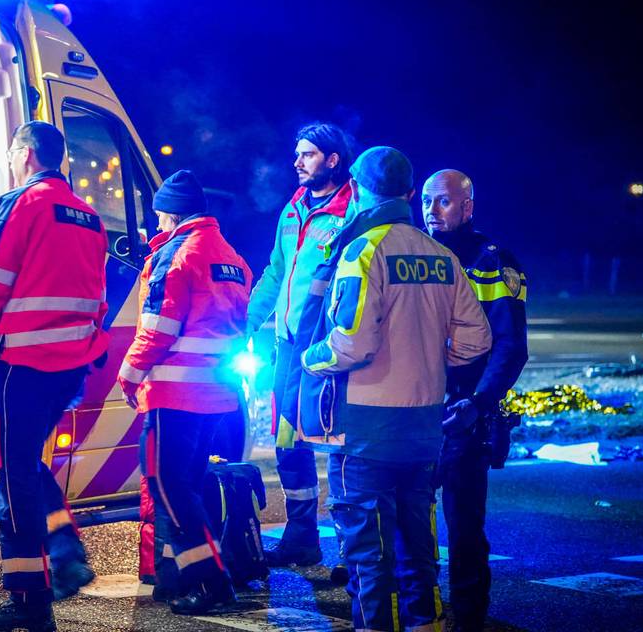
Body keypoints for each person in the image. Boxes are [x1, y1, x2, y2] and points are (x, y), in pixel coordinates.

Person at [299, 146, 491, 632]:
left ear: (358, 190)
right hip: (424, 428)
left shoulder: (363, 251)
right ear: (409, 193)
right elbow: (477, 339)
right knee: (418, 550)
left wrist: (310, 358)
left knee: (369, 557)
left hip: (367, 430)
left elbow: (352, 345)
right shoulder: (441, 255)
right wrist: (430, 361)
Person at [0, 121, 108, 632]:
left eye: (10, 153)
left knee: (14, 471)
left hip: (24, 365)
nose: (9, 161)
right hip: (68, 368)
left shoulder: (20, 204)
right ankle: (62, 554)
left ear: (25, 154)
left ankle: (31, 598)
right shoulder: (89, 216)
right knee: (23, 463)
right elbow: (98, 296)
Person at [117, 170, 253, 615]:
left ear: (172, 214)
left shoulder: (175, 254)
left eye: (160, 216)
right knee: (187, 485)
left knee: (166, 483)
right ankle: (182, 577)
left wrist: (129, 374)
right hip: (216, 393)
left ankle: (211, 581)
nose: (157, 223)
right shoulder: (231, 256)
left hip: (175, 394)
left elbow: (158, 328)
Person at [422, 169, 528, 632]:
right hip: (413, 408)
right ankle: (420, 607)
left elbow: (511, 345)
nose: (431, 211)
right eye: (426, 201)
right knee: (408, 518)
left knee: (464, 526)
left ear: (467, 207)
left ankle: (468, 617)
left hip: (463, 413)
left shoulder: (492, 261)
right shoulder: (414, 253)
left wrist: (480, 403)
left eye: (442, 201)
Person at [247, 122, 354, 570]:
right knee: (288, 439)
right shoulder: (293, 209)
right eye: (297, 154)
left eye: (307, 154)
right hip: (289, 345)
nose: (297, 162)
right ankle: (301, 537)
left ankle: (353, 551)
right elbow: (276, 271)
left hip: (333, 348)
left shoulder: (353, 210)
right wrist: (245, 323)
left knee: (342, 442)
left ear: (332, 160)